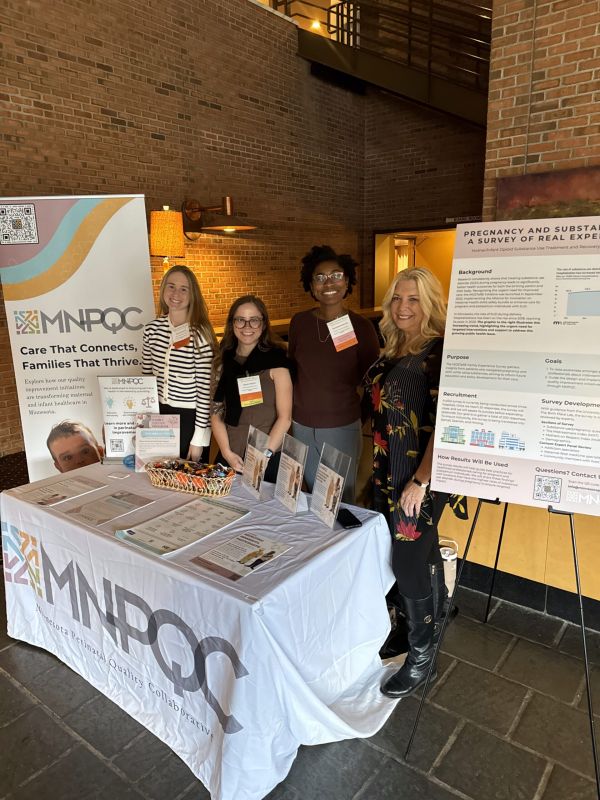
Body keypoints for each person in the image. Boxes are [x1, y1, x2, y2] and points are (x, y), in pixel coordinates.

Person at [364, 267, 466, 698]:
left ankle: (422, 658)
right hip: (389, 470)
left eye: (413, 299)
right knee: (419, 552)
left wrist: (421, 481)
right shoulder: (393, 347)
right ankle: (414, 628)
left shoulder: (439, 352)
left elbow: (448, 424)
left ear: (430, 303)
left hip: (421, 477)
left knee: (405, 563)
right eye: (397, 298)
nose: (403, 307)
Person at [288, 245, 380, 503]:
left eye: (336, 275)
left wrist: (354, 418)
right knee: (307, 496)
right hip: (301, 426)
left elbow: (372, 383)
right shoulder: (300, 323)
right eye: (320, 277)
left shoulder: (361, 328)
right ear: (311, 285)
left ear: (347, 281)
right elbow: (293, 371)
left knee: (336, 501)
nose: (328, 283)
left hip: (341, 427)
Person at [211, 295, 292, 482]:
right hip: (231, 455)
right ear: (232, 324)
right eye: (240, 320)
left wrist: (264, 456)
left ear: (263, 324)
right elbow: (216, 413)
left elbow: (285, 418)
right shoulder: (223, 361)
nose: (247, 327)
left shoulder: (277, 362)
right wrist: (226, 453)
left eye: (254, 320)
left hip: (267, 455)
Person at [142, 265, 216, 461]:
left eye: (184, 289)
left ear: (193, 295)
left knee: (187, 475)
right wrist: (143, 422)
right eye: (171, 286)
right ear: (163, 289)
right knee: (157, 472)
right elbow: (146, 380)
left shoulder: (200, 334)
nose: (176, 294)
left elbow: (205, 391)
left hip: (190, 418)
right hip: (157, 414)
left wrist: (199, 439)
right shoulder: (151, 330)